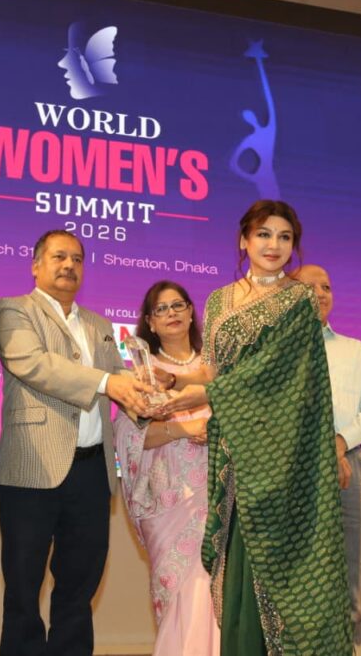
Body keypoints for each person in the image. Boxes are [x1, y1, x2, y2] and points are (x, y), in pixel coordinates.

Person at [158, 200, 352, 655]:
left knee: (283, 571)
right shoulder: (219, 300)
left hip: (282, 459)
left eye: (285, 237)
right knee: (237, 569)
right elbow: (213, 371)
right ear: (244, 240)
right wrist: (174, 381)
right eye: (264, 234)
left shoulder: (299, 300)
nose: (274, 245)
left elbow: (271, 375)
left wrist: (204, 395)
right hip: (236, 454)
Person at [0, 229, 150, 656]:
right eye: (59, 257)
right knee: (23, 587)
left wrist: (152, 394)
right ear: (36, 265)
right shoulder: (14, 310)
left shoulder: (99, 325)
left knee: (79, 588)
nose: (69, 266)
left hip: (91, 474)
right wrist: (109, 382)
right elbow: (36, 365)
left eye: (77, 259)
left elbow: (123, 383)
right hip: (32, 470)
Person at [113, 280, 221, 656]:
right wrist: (186, 428)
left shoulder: (217, 371)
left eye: (178, 305)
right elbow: (131, 437)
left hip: (221, 497)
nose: (171, 313)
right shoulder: (142, 375)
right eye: (161, 309)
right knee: (183, 594)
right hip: (168, 503)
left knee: (218, 592)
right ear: (150, 322)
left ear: (191, 312)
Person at [294, 264, 361, 656]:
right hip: (290, 467)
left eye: (327, 287)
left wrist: (340, 440)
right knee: (295, 579)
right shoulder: (274, 354)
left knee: (352, 576)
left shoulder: (357, 351)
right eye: (311, 287)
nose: (321, 294)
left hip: (347, 466)